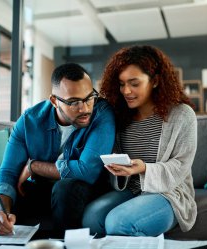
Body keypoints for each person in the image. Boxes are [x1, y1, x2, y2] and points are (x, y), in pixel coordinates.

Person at [0, 63, 115, 236]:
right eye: (73, 102)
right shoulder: (29, 121)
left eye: (89, 97)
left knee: (65, 188)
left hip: (83, 191)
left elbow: (87, 171)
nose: (85, 108)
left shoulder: (102, 113)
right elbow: (7, 174)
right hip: (44, 192)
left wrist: (34, 166)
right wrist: (1, 212)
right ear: (55, 101)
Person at [82, 45, 197, 236]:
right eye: (121, 84)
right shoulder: (119, 117)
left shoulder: (182, 115)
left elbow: (180, 166)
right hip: (131, 191)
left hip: (168, 193)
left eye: (134, 83)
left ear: (155, 81)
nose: (126, 91)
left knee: (118, 222)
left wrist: (144, 168)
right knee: (91, 218)